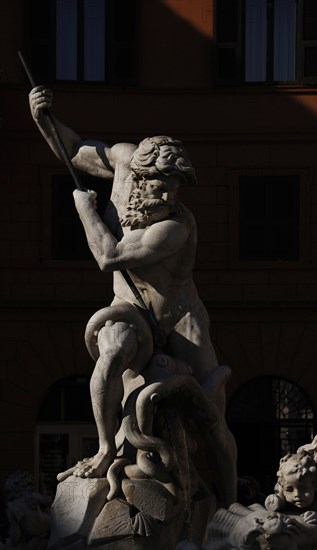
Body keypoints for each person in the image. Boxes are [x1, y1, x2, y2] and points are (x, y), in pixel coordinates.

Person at [29, 86, 237, 507]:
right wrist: (42, 118)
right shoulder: (123, 161)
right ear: (139, 173)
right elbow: (72, 151)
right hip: (129, 307)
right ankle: (105, 447)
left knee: (213, 417)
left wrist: (85, 210)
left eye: (177, 188)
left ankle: (230, 500)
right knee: (113, 352)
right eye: (163, 186)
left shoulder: (175, 227)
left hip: (179, 316)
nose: (170, 197)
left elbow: (109, 256)